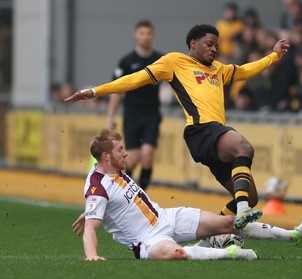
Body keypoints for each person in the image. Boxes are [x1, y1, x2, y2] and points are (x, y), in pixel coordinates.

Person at [64, 24, 290, 230]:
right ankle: (242, 211)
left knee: (250, 196)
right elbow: (134, 79)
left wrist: (273, 56)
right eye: (209, 44)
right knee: (244, 147)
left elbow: (245, 71)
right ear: (193, 44)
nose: (214, 50)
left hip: (215, 136)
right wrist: (95, 91)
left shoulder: (219, 69)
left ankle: (216, 231)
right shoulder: (174, 61)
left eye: (216, 46)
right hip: (201, 131)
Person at [72, 129, 302, 261]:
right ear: (106, 157)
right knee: (175, 254)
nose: (125, 154)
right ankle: (230, 253)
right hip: (147, 241)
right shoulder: (97, 187)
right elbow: (92, 228)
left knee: (228, 223)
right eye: (120, 150)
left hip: (166, 217)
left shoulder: (107, 176)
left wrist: (92, 210)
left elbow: (105, 202)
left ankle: (293, 235)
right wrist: (92, 255)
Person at [106, 20, 163, 191]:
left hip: (152, 114)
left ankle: (141, 195)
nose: (145, 37)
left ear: (153, 36)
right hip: (131, 114)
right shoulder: (126, 62)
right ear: (136, 36)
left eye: (149, 33)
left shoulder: (160, 60)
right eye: (142, 33)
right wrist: (110, 116)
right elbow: (116, 91)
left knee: (147, 155)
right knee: (133, 158)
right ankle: (123, 190)